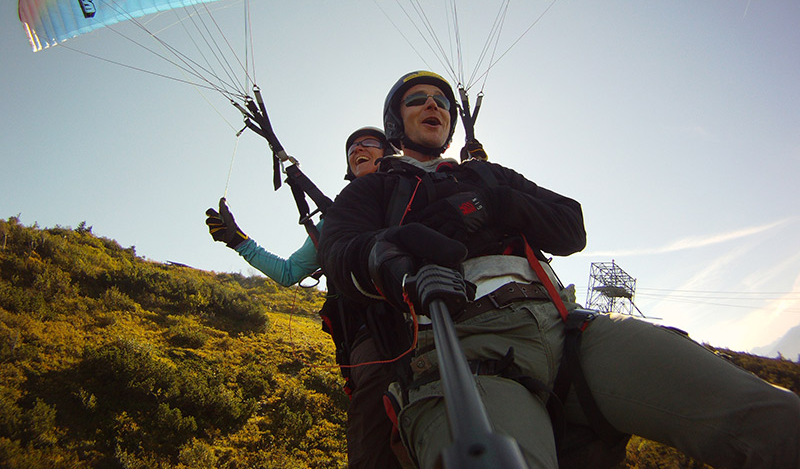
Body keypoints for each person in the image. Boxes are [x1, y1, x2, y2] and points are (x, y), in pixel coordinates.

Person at [318, 70, 800, 469]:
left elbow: (571, 226)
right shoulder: (372, 191)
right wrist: (394, 263)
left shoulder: (489, 174)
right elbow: (341, 253)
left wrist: (494, 201)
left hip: (571, 328)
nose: (435, 106)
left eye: (443, 101)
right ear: (395, 122)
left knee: (768, 418)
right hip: (463, 341)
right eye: (418, 100)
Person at [205, 127, 408, 469]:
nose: (358, 148)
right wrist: (239, 242)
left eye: (368, 143)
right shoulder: (337, 218)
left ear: (388, 152)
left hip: (434, 316)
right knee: (375, 425)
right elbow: (288, 273)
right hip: (373, 337)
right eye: (352, 147)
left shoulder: (418, 187)